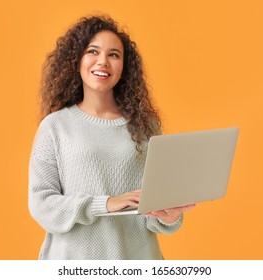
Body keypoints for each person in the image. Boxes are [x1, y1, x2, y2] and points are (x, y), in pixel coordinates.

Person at [28, 15, 195, 260]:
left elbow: (153, 208)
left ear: (124, 67)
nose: (103, 61)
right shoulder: (55, 127)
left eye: (114, 55)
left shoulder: (146, 125)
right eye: (93, 51)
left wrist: (169, 217)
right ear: (76, 60)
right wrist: (106, 204)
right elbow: (41, 204)